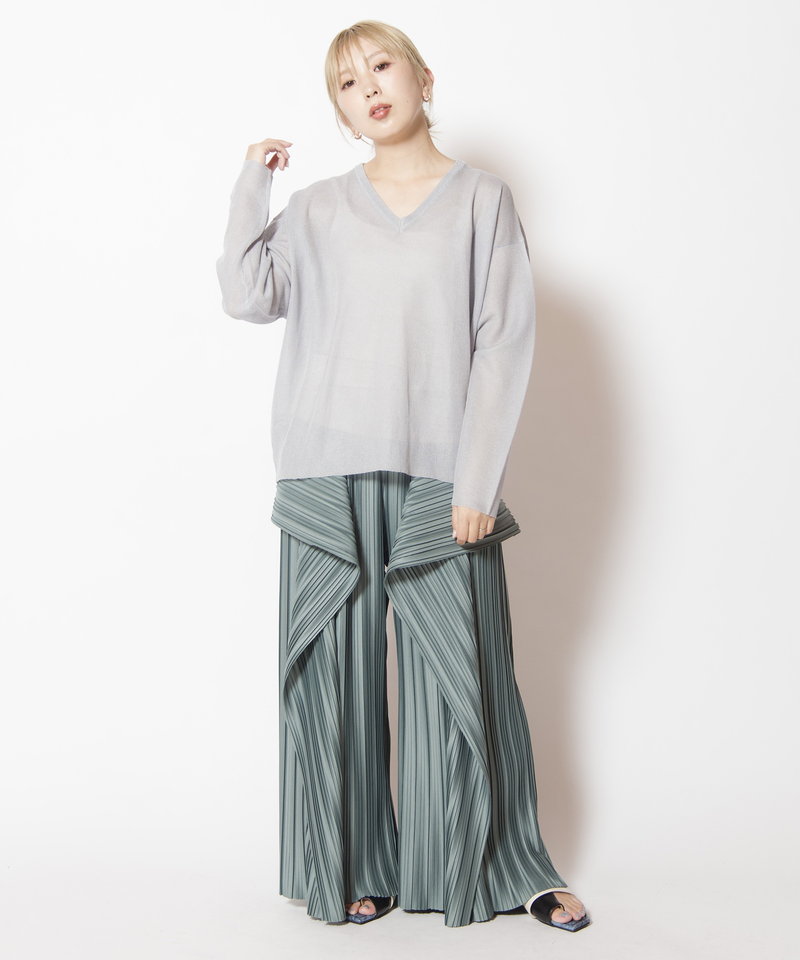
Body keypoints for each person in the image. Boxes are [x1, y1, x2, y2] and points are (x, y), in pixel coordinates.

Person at [215, 19, 591, 931]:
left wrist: (477, 481)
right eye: (346, 84)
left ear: (423, 77)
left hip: (440, 471)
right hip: (323, 472)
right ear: (341, 115)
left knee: (464, 674)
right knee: (330, 683)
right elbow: (245, 295)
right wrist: (252, 182)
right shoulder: (314, 209)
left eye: (380, 67)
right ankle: (349, 865)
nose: (368, 89)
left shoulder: (482, 200)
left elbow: (504, 343)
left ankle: (497, 868)